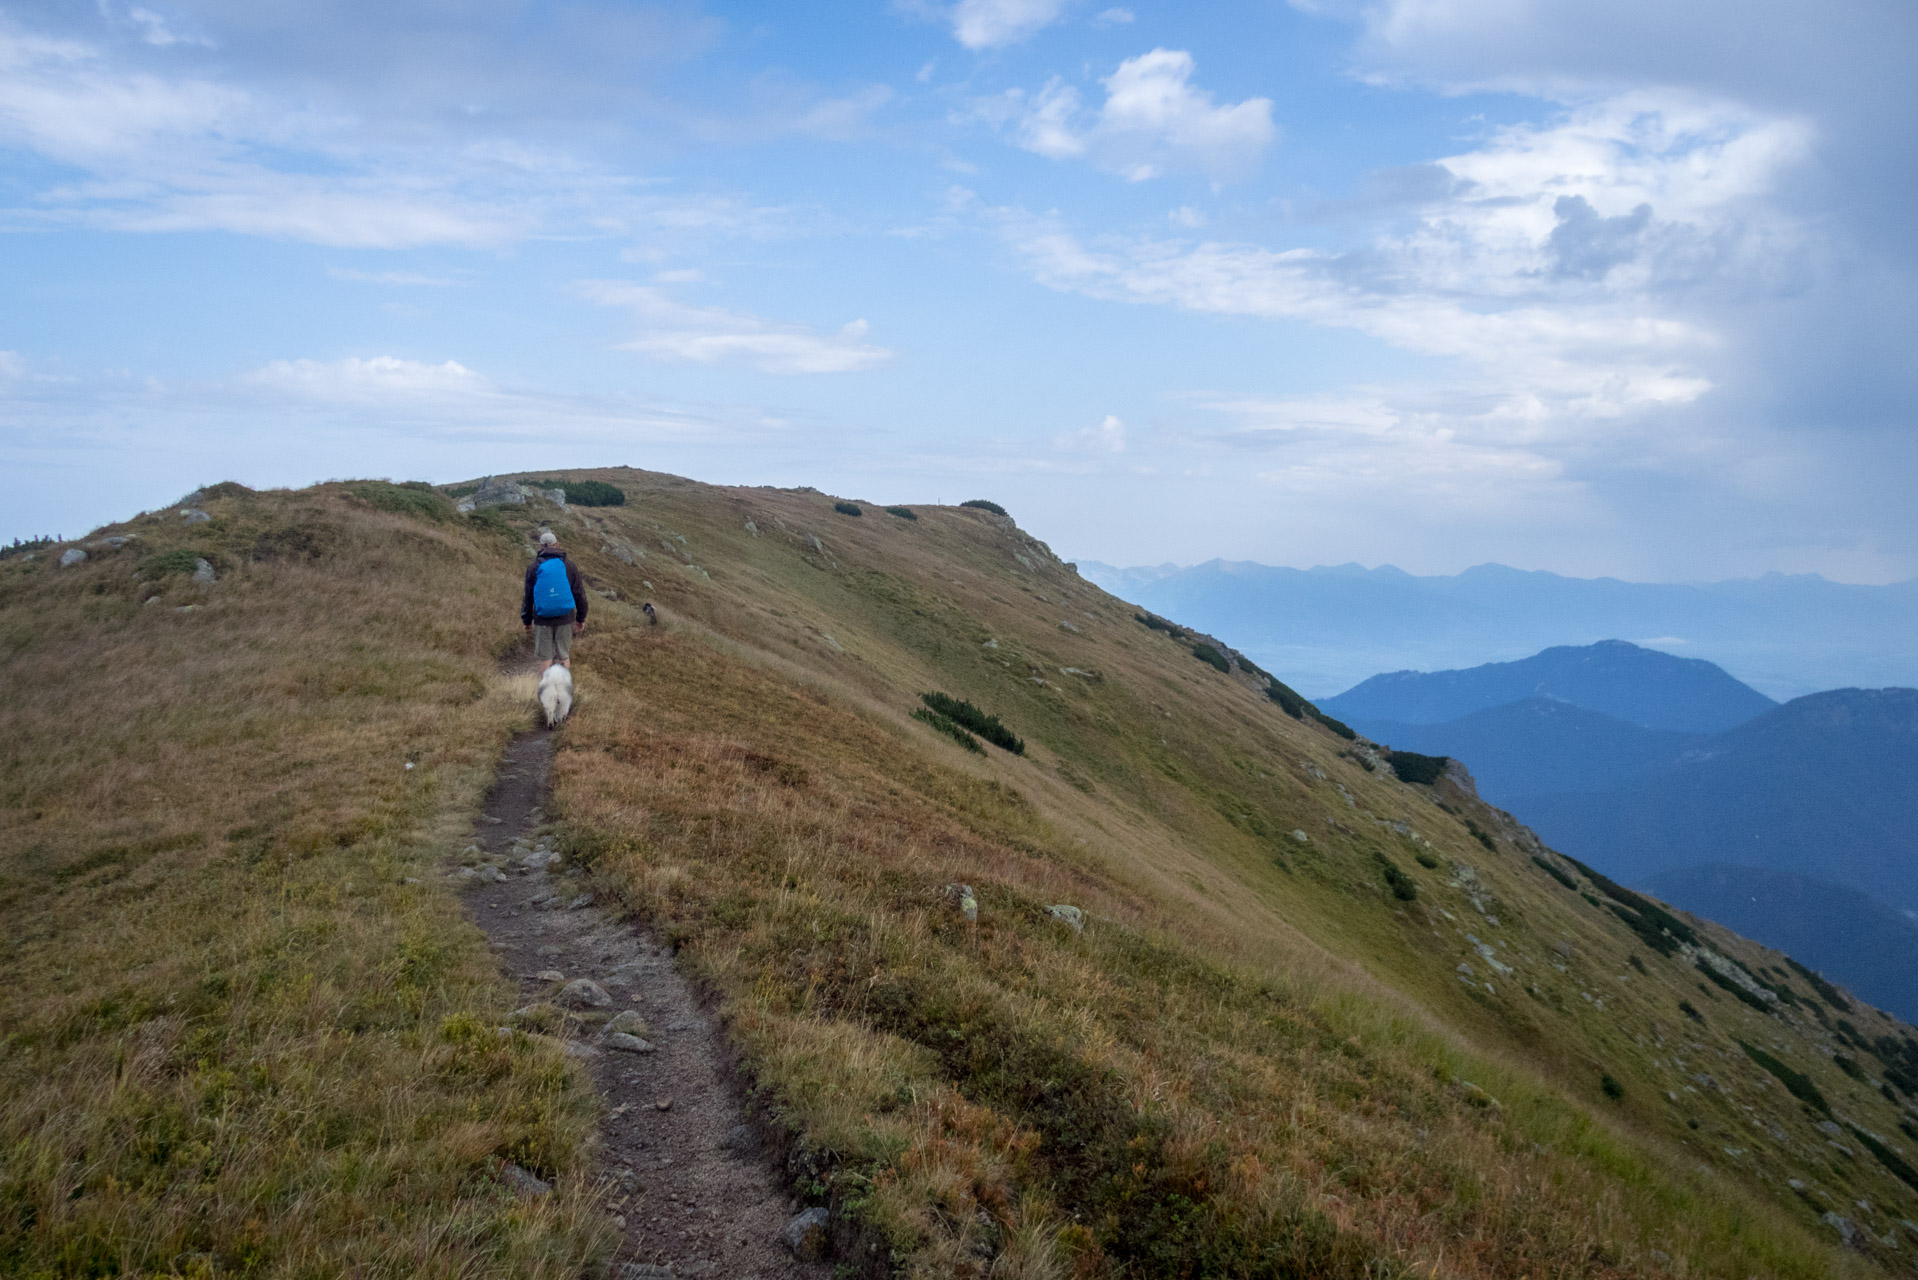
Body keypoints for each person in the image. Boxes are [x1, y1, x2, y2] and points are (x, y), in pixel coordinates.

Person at [522, 531, 587, 671]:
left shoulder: (534, 567)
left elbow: (528, 596)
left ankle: (547, 692)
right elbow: (579, 593)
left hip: (542, 618)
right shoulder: (569, 566)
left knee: (545, 658)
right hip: (565, 617)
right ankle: (562, 688)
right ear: (557, 545)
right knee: (564, 655)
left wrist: (527, 621)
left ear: (540, 546)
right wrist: (581, 618)